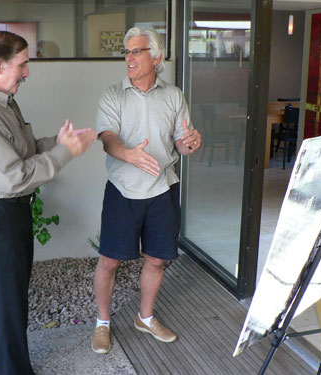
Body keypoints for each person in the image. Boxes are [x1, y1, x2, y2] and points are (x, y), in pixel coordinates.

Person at [0, 31, 96, 374]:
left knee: (6, 305)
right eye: (22, 64)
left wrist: (56, 143)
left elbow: (22, 151)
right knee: (8, 306)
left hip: (6, 215)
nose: (27, 72)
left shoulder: (2, 100)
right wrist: (64, 154)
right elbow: (11, 176)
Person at [92, 27, 202, 354]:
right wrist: (129, 154)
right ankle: (102, 323)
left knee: (156, 259)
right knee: (110, 261)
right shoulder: (113, 94)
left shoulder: (173, 95)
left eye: (136, 51)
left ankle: (145, 316)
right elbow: (107, 138)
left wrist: (191, 142)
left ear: (156, 57)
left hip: (162, 189)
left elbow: (181, 144)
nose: (129, 57)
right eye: (126, 52)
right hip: (123, 189)